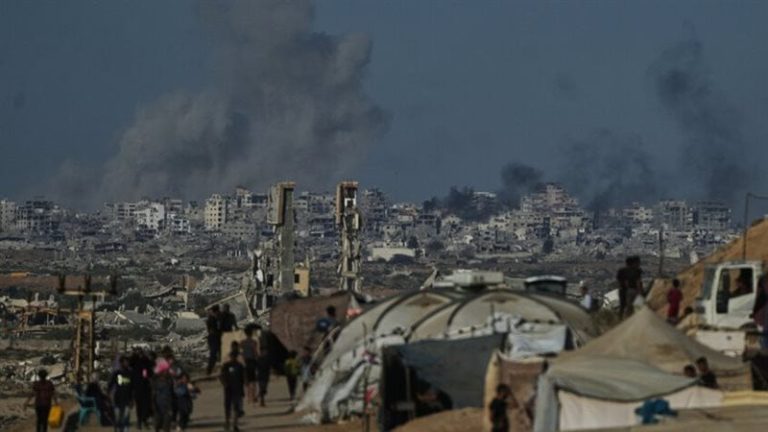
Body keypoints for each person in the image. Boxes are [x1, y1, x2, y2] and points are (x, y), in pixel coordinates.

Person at [221, 351, 245, 432]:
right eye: (232, 356)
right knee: (227, 407)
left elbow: (243, 377)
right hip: (228, 389)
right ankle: (227, 423)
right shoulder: (226, 365)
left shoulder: (239, 366)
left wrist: (242, 389)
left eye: (234, 356)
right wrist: (225, 384)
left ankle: (235, 424)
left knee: (236, 408)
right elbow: (222, 376)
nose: (233, 358)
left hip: (237, 389)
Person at [130, 348, 153, 430]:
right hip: (138, 387)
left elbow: (149, 372)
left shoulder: (145, 362)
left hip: (144, 387)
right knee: (140, 406)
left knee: (145, 406)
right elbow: (131, 362)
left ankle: (143, 420)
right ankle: (140, 421)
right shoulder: (135, 362)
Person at [152, 359, 175, 432]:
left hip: (168, 404)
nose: (166, 372)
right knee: (158, 423)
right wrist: (154, 405)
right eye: (164, 371)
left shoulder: (170, 380)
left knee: (167, 423)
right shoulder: (155, 381)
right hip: (159, 404)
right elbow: (153, 394)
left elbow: (172, 392)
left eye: (167, 370)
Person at [240, 326, 260, 404]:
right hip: (252, 362)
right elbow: (255, 352)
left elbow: (241, 353)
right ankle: (254, 396)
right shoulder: (254, 342)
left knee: (247, 381)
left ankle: (248, 397)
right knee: (253, 380)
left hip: (245, 362)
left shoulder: (242, 342)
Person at [206, 305, 221, 375]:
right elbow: (213, 329)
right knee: (214, 355)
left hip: (214, 337)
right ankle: (209, 370)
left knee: (215, 354)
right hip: (214, 338)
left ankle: (210, 370)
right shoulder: (212, 319)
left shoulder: (212, 318)